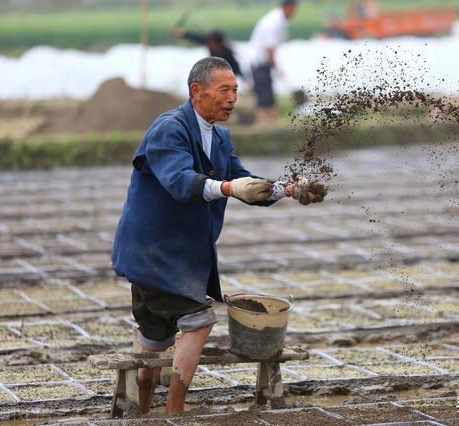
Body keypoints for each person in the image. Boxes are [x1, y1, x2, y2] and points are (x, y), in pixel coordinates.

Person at [111, 56, 325, 416]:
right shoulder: (169, 129)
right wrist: (227, 187)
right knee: (199, 322)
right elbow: (181, 182)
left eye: (236, 91)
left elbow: (245, 183)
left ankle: (143, 411)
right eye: (224, 90)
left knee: (155, 340)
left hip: (177, 257)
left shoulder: (220, 138)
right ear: (197, 91)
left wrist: (287, 190)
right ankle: (174, 411)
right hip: (154, 255)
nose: (232, 99)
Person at [248, 0, 297, 126]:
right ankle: (263, 126)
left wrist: (274, 65)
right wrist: (275, 66)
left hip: (263, 63)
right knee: (264, 99)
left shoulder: (278, 19)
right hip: (260, 63)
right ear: (288, 7)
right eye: (294, 9)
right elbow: (269, 47)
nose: (294, 13)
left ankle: (273, 125)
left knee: (269, 98)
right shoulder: (275, 21)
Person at [171, 27, 243, 78]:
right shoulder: (209, 42)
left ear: (217, 43)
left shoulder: (227, 54)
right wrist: (183, 34)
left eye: (211, 43)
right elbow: (196, 38)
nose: (209, 44)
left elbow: (236, 69)